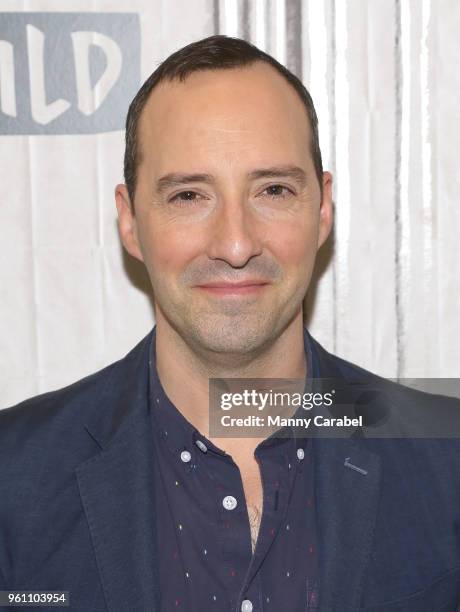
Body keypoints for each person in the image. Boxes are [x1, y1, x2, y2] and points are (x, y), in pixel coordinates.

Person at [1, 35, 459, 612]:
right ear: (130, 222)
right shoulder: (12, 479)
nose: (236, 244)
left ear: (321, 209)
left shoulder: (448, 460)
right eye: (189, 196)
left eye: (273, 190)